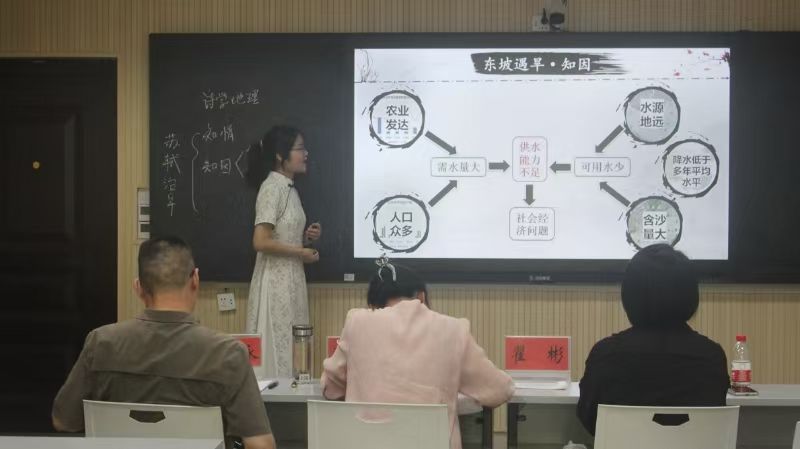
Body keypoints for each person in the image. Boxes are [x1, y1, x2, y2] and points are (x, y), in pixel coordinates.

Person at [52, 236, 275, 449]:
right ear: (195, 280)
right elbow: (260, 445)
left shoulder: (100, 343)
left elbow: (63, 421)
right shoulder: (228, 353)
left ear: (138, 288)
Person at [321, 258, 514, 449]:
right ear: (421, 297)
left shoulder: (357, 322)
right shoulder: (453, 330)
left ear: (372, 304)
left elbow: (330, 388)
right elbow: (499, 390)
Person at [577, 244, 730, 435]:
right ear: (691, 295)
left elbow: (589, 418)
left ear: (629, 296)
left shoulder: (606, 354)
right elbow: (714, 421)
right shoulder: (711, 356)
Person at [245, 125, 321, 379]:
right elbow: (260, 241)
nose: (305, 154)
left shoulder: (290, 188)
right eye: (299, 149)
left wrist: (306, 238)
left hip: (292, 279)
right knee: (276, 350)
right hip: (275, 282)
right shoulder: (271, 188)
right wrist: (300, 251)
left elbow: (282, 235)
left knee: (293, 349)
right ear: (280, 155)